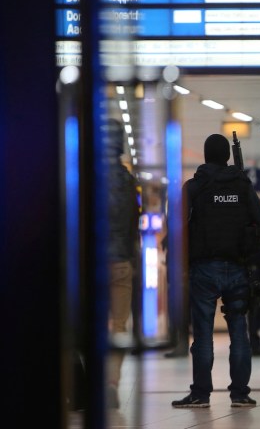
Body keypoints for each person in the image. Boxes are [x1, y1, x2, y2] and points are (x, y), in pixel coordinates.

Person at [172, 133, 260, 408]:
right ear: (227, 156)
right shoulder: (243, 186)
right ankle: (240, 393)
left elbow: (177, 226)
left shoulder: (193, 187)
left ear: (205, 156)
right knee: (239, 331)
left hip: (203, 269)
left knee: (202, 334)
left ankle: (201, 394)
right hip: (238, 268)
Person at [105, 118, 140, 409]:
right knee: (118, 324)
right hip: (120, 262)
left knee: (78, 321)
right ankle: (111, 382)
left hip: (87, 262)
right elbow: (133, 223)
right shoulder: (128, 180)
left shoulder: (79, 173)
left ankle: (81, 380)